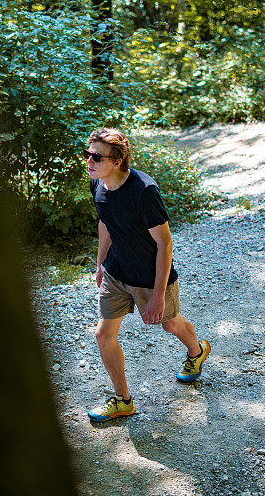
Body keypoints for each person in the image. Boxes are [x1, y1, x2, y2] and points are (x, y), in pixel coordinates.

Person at [85, 128, 211, 423]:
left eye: (97, 156)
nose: (89, 161)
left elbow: (164, 243)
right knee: (103, 335)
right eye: (87, 154)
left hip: (148, 276)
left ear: (117, 161)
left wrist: (156, 295)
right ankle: (123, 400)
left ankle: (197, 350)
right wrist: (101, 262)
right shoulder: (98, 183)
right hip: (116, 272)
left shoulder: (144, 191)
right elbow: (106, 223)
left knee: (169, 324)